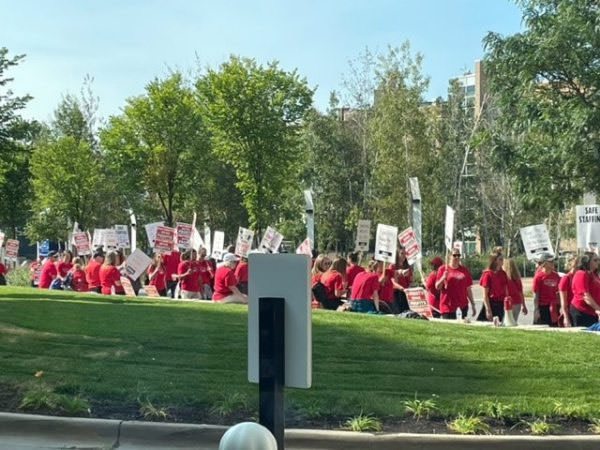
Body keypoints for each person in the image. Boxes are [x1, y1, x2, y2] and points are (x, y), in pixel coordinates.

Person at [435, 250, 476, 319]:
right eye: (454, 255)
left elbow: (468, 288)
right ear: (449, 256)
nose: (457, 257)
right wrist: (443, 278)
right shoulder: (443, 269)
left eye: (458, 255)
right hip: (448, 307)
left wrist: (473, 304)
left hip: (462, 306)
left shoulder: (464, 270)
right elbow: (437, 287)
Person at [570, 252, 600, 327]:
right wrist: (598, 309)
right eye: (595, 260)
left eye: (598, 260)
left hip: (592, 311)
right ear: (587, 261)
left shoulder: (594, 274)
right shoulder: (581, 274)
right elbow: (585, 296)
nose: (598, 262)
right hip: (581, 311)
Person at [478, 251, 509, 322]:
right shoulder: (487, 274)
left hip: (500, 304)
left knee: (499, 324)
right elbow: (485, 295)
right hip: (491, 303)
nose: (502, 261)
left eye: (502, 259)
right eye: (500, 259)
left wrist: (507, 302)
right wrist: (488, 310)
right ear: (495, 261)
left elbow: (506, 289)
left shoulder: (503, 274)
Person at [532, 252, 560, 326]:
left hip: (554, 307)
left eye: (553, 261)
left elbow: (559, 292)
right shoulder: (538, 277)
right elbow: (536, 295)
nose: (553, 263)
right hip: (543, 307)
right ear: (545, 263)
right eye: (550, 261)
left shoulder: (556, 276)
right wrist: (536, 310)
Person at [389, 247, 412, 313]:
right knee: (398, 312)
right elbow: (392, 282)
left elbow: (410, 281)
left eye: (405, 254)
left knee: (406, 311)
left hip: (405, 293)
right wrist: (401, 288)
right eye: (402, 253)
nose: (404, 256)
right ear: (397, 254)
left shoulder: (408, 266)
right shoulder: (393, 266)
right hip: (396, 293)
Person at [558, 254, 578, 327]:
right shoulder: (566, 278)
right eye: (576, 263)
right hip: (570, 311)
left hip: (578, 310)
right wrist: (566, 317)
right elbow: (563, 302)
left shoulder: (581, 276)